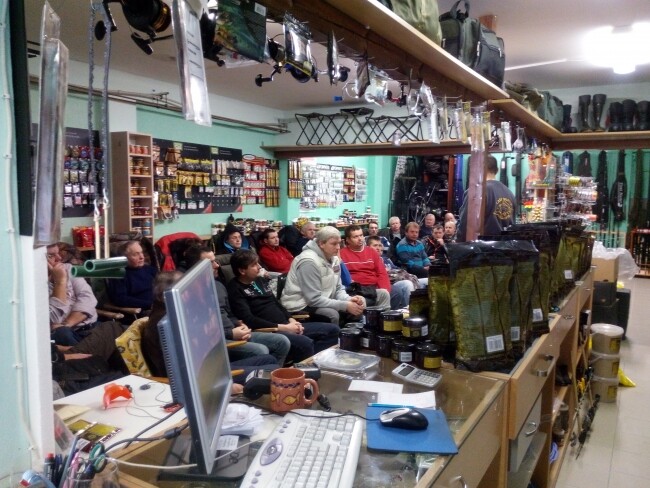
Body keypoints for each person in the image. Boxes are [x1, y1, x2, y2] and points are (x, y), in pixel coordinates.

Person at [140, 271, 279, 385]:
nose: (188, 293)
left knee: (269, 360)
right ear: (165, 296)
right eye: (182, 290)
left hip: (210, 367)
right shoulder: (165, 324)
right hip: (202, 378)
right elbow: (181, 368)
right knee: (273, 371)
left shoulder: (175, 310)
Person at [184, 245, 291, 366]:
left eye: (216, 261)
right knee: (261, 351)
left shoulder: (218, 286)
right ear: (196, 268)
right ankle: (263, 374)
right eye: (211, 262)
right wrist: (231, 333)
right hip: (217, 341)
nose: (217, 265)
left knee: (282, 342)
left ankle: (272, 373)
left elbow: (229, 314)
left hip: (235, 332)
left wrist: (239, 323)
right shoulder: (189, 294)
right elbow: (199, 333)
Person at [227, 250, 340, 363]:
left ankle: (321, 363)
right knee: (305, 343)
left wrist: (291, 320)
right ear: (242, 270)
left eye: (258, 263)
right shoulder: (235, 289)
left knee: (333, 330)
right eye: (254, 265)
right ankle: (305, 369)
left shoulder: (260, 280)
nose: (259, 267)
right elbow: (249, 319)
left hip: (287, 324)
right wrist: (284, 328)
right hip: (270, 331)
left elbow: (277, 304)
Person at [281, 226, 366, 324]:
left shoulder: (334, 259)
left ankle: (349, 333)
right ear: (321, 244)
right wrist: (345, 305)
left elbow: (338, 289)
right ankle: (336, 333)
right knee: (332, 314)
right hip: (300, 306)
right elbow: (313, 299)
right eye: (334, 244)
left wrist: (349, 299)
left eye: (339, 243)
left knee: (359, 304)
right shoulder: (308, 262)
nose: (338, 247)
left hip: (322, 300)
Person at [47, 243, 98, 346]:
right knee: (62, 333)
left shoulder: (68, 268)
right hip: (64, 336)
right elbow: (54, 319)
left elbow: (88, 298)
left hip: (91, 326)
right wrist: (60, 282)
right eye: (51, 255)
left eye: (58, 253)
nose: (59, 258)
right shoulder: (32, 286)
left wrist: (68, 323)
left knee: (117, 330)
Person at [457, 155, 516, 241]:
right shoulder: (509, 193)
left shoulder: (477, 191)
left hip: (483, 247)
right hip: (505, 246)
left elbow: (465, 225)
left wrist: (458, 243)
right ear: (497, 170)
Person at [339, 225, 391, 310]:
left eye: (361, 235)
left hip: (373, 288)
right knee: (360, 300)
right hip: (355, 290)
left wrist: (384, 289)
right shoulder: (341, 254)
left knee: (385, 293)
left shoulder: (372, 252)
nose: (360, 239)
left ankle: (383, 317)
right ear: (347, 240)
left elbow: (382, 273)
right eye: (355, 237)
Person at [367, 236, 425, 309]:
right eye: (375, 245)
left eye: (379, 245)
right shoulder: (369, 260)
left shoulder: (386, 259)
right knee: (407, 284)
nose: (378, 248)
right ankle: (410, 310)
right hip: (391, 283)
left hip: (404, 278)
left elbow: (397, 269)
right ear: (368, 248)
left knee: (427, 281)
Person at [106, 240, 157, 310]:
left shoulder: (149, 269)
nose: (142, 257)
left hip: (158, 306)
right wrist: (150, 304)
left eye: (141, 252)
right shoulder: (119, 275)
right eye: (136, 254)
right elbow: (120, 299)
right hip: (142, 310)